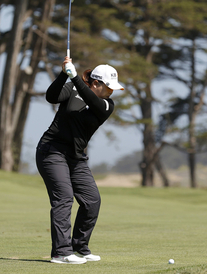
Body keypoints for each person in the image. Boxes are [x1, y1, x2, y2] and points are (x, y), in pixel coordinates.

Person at [35, 56, 124, 265]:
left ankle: (80, 247)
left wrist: (74, 76)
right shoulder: (72, 89)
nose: (112, 92)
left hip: (76, 157)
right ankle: (61, 252)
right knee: (64, 197)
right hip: (52, 151)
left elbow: (92, 101)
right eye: (108, 87)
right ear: (95, 83)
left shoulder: (106, 105)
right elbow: (51, 97)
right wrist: (63, 74)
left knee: (92, 200)